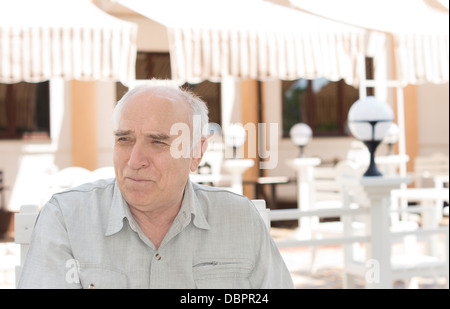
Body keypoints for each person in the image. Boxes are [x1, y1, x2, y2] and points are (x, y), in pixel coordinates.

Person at [18, 83, 294, 289]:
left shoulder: (240, 219)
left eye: (158, 142)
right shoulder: (67, 218)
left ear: (196, 152)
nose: (135, 160)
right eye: (124, 139)